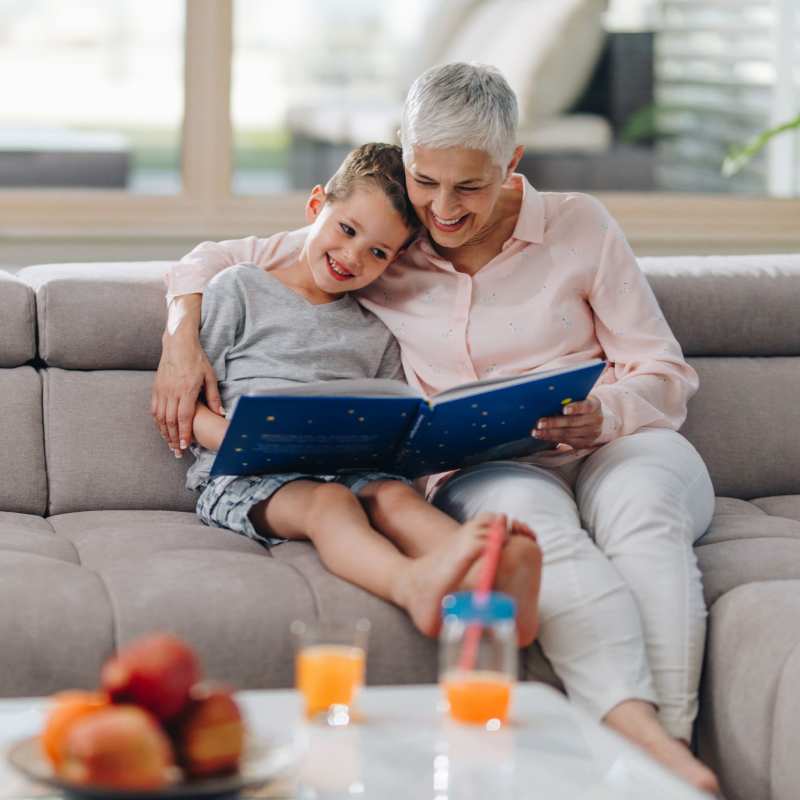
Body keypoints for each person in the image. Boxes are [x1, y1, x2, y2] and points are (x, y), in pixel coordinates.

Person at [153, 66, 718, 793]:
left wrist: (604, 413)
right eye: (426, 180)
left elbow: (663, 371)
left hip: (622, 440)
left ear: (511, 166)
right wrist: (180, 335)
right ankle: (657, 760)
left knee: (642, 518)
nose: (444, 209)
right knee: (537, 538)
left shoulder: (580, 224)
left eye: (470, 188)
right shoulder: (389, 241)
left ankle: (664, 755)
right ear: (406, 155)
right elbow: (227, 261)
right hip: (498, 466)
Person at [171, 142, 541, 641]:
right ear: (316, 206)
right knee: (331, 505)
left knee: (393, 495)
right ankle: (412, 585)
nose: (352, 257)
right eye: (346, 230)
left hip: (350, 466)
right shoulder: (238, 288)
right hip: (245, 472)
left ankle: (487, 574)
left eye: (378, 252)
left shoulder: (376, 325)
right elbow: (189, 409)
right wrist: (252, 439)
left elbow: (390, 415)